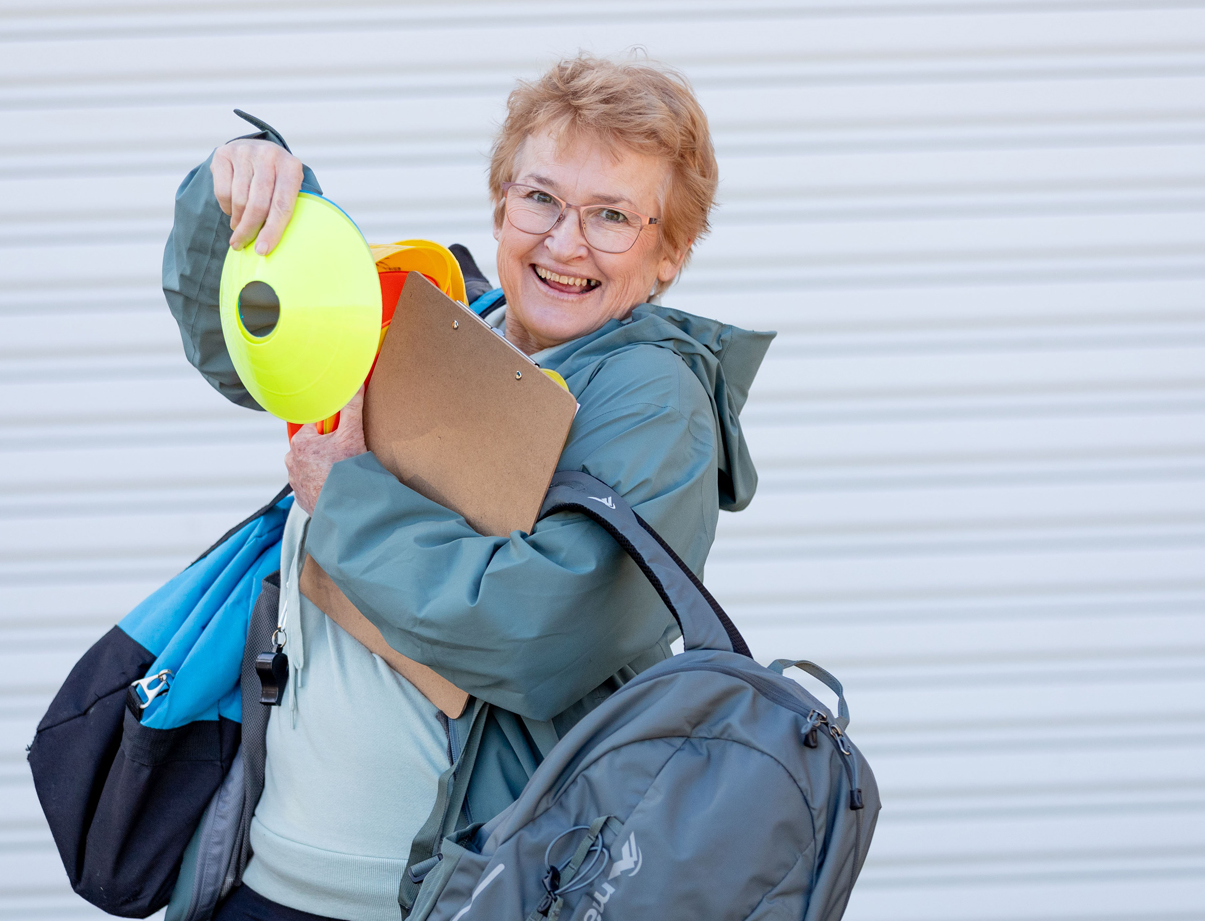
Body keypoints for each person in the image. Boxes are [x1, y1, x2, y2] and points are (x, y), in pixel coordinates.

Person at [161, 55, 772, 921]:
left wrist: (347, 500)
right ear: (499, 204)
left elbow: (540, 628)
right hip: (267, 879)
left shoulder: (652, 399)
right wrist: (236, 196)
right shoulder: (434, 321)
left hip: (447, 900)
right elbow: (248, 341)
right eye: (541, 199)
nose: (565, 242)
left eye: (613, 217)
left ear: (669, 253)